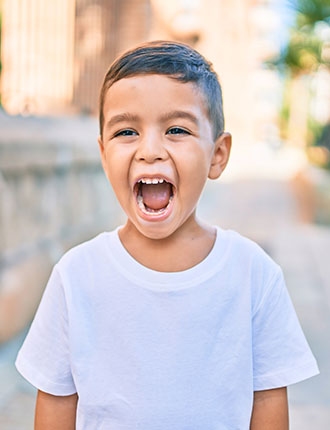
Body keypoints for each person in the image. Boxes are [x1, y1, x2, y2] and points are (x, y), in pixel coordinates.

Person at [15, 41, 319, 429]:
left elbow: (269, 399)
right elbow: (57, 401)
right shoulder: (77, 275)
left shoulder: (253, 273)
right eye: (127, 131)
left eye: (176, 129)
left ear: (217, 155)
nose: (150, 150)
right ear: (103, 152)